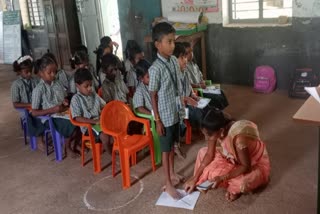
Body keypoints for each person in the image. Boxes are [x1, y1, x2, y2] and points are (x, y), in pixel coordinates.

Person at [184, 110, 270, 201]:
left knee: (242, 183)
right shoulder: (213, 129)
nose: (206, 138)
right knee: (202, 152)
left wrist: (222, 178)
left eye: (208, 135)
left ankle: (235, 189)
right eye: (205, 135)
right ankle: (227, 181)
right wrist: (194, 178)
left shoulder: (239, 139)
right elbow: (209, 154)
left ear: (221, 130)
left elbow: (246, 167)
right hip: (231, 158)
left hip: (251, 164)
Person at [149, 22, 185, 199]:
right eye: (169, 42)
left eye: (173, 41)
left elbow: (176, 86)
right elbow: (153, 95)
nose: (173, 45)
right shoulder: (155, 69)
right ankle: (168, 184)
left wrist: (182, 105)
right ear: (158, 44)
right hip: (164, 117)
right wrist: (157, 120)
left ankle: (172, 174)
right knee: (165, 151)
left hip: (175, 113)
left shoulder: (172, 61)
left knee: (172, 147)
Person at [31, 54, 81, 158]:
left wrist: (65, 101)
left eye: (55, 72)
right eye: (49, 72)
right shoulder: (38, 90)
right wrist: (52, 109)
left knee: (79, 120)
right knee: (70, 123)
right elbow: (34, 112)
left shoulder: (57, 83)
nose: (53, 74)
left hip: (62, 112)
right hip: (50, 118)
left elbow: (63, 98)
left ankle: (72, 142)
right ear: (41, 73)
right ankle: (67, 147)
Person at [70, 68, 112, 151]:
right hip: (88, 127)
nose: (89, 88)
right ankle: (111, 154)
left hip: (98, 122)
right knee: (105, 136)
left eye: (90, 85)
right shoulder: (76, 99)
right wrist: (95, 122)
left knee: (116, 128)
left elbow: (104, 105)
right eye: (86, 86)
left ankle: (114, 149)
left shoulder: (93, 94)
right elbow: (77, 117)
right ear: (77, 86)